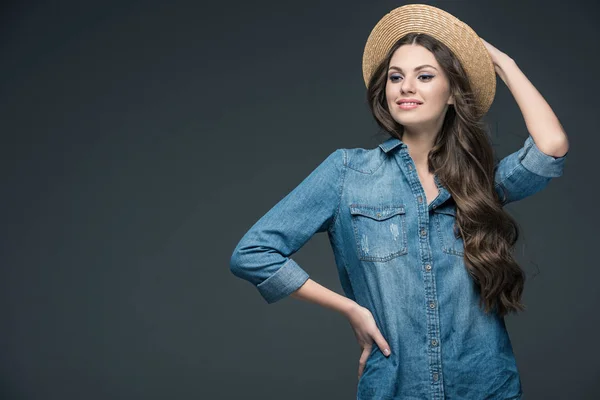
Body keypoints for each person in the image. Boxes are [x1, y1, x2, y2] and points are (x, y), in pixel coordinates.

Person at [229, 4, 569, 399]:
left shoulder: (480, 180)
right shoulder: (348, 173)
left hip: (486, 385)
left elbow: (551, 147)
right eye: (395, 77)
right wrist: (352, 309)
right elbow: (253, 253)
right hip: (394, 388)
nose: (406, 87)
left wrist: (501, 62)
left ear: (454, 95)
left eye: (425, 76)